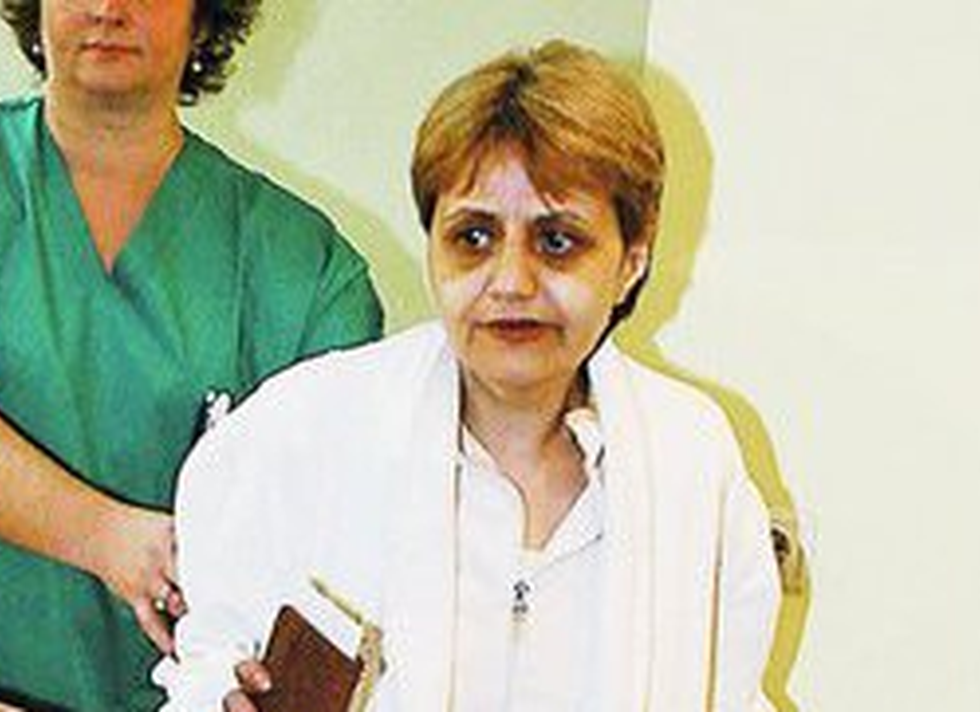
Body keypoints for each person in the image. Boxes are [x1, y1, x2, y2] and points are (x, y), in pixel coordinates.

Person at [159, 40, 780, 711]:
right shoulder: (301, 432)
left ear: (631, 260)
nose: (511, 282)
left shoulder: (690, 459)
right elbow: (204, 668)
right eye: (474, 238)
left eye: (557, 241)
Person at [0, 0, 383, 708]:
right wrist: (106, 537)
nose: (108, 8)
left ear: (204, 16)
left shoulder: (308, 271)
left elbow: (336, 552)